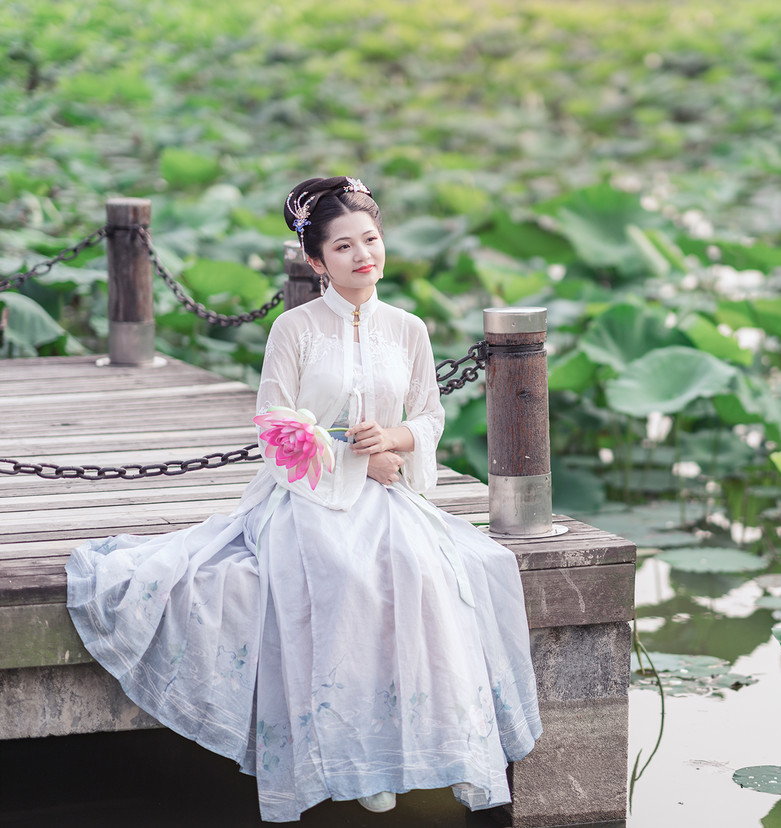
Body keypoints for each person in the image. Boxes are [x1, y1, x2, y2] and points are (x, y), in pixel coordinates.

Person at [65, 176, 542, 822]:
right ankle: (349, 755)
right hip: (309, 496)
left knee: (427, 573)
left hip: (387, 490)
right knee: (339, 574)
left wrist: (394, 442)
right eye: (342, 247)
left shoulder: (407, 329)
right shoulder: (293, 331)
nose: (361, 255)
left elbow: (429, 418)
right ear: (315, 261)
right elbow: (272, 425)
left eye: (370, 240)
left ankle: (417, 745)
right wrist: (349, 455)